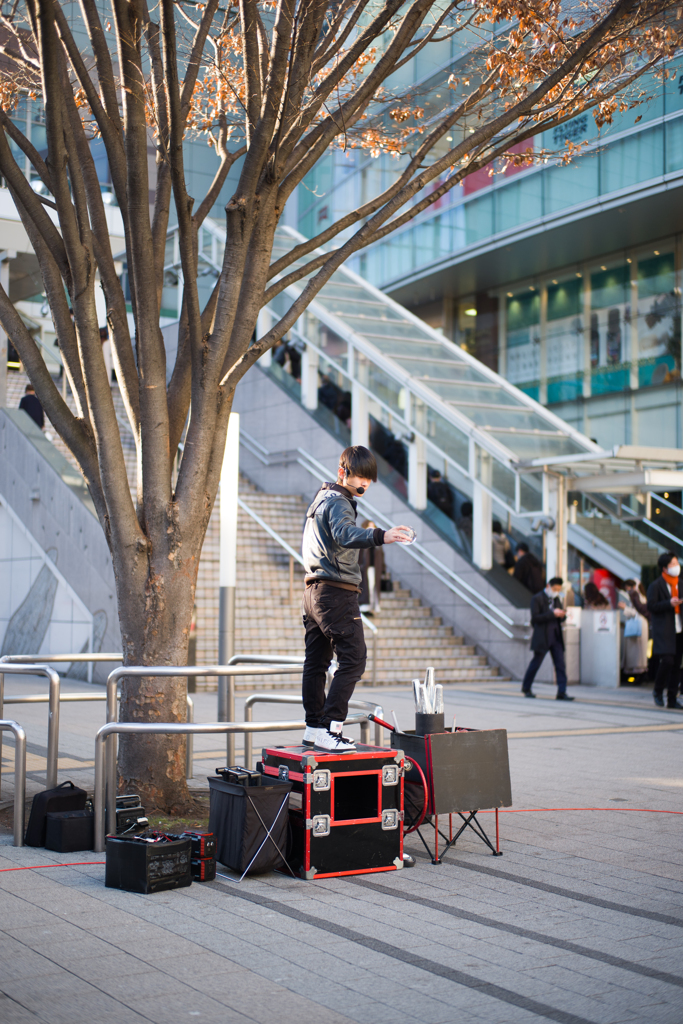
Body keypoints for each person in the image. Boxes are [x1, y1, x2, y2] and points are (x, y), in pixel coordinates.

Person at [301, 446, 412, 752]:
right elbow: (345, 533)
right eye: (360, 476)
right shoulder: (339, 501)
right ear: (343, 472)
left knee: (317, 662)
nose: (364, 484)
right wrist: (381, 535)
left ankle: (313, 728)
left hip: (313, 591)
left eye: (369, 479)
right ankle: (329, 727)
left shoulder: (320, 498)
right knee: (353, 659)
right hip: (336, 592)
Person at [521, 577, 574, 700]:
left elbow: (560, 617)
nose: (556, 591)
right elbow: (535, 618)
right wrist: (552, 614)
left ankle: (562, 691)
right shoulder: (537, 598)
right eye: (555, 589)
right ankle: (526, 687)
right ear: (548, 586)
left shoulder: (556, 599)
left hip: (556, 637)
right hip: (543, 637)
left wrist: (562, 615)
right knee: (536, 663)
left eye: (558, 590)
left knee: (560, 664)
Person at [647, 552, 683, 710]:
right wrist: (668, 603)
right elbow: (651, 606)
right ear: (664, 568)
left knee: (676, 664)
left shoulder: (680, 584)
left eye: (676, 563)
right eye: (672, 564)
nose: (676, 567)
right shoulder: (656, 585)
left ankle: (672, 699)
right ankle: (658, 689)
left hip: (679, 628)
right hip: (664, 629)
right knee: (667, 661)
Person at [620, 579, 650, 685]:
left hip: (638, 626)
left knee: (638, 653)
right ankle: (635, 677)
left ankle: (637, 677)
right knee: (636, 653)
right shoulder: (638, 596)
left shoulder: (636, 596)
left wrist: (625, 608)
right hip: (638, 626)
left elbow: (638, 612)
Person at [359, 519, 383, 615]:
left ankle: (373, 607)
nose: (372, 529)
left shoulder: (378, 543)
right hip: (364, 569)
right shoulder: (362, 541)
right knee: (366, 588)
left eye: (373, 527)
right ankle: (365, 608)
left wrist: (383, 571)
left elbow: (382, 557)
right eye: (369, 527)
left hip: (375, 569)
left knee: (373, 588)